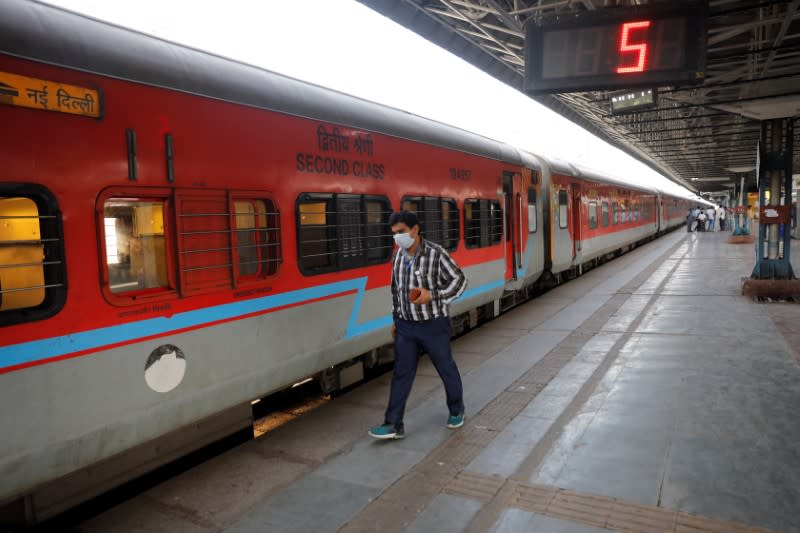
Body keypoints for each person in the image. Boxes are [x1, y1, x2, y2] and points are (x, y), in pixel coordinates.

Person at [369, 210, 467, 440]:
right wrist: (396, 319)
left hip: (434, 325)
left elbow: (460, 280)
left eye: (401, 232)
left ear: (415, 230)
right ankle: (393, 424)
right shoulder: (398, 257)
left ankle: (456, 410)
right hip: (406, 327)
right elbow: (397, 291)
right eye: (394, 234)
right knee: (401, 374)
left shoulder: (436, 254)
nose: (397, 238)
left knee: (446, 369)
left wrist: (433, 296)